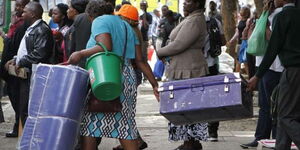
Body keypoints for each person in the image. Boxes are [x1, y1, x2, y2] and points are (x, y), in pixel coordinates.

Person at [67, 1, 159, 150]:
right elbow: (140, 61)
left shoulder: (99, 20)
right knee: (124, 126)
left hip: (106, 75)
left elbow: (105, 46)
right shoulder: (127, 26)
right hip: (127, 77)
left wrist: (80, 53)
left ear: (91, 16)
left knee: (90, 125)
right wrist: (154, 84)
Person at [247, 0, 300, 149]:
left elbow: (273, 48)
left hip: (291, 71)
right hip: (291, 71)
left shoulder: (282, 16)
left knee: (285, 116)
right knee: (284, 113)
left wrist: (257, 75)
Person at [156, 0, 208, 149]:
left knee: (188, 107)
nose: (185, 3)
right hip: (184, 68)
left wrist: (160, 52)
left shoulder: (195, 20)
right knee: (183, 107)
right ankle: (188, 141)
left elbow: (179, 44)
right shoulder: (191, 18)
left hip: (189, 69)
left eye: (189, 1)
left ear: (197, 4)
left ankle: (190, 142)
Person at [241, 1, 284, 148]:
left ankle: (275, 139)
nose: (264, 3)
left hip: (275, 66)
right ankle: (261, 137)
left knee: (273, 106)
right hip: (264, 64)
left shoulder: (280, 15)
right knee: (264, 105)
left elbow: (276, 41)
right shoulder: (267, 15)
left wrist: (264, 29)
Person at [5, 1, 54, 127]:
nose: (22, 12)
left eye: (25, 11)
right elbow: (27, 49)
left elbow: (40, 53)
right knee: (24, 108)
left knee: (29, 109)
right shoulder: (31, 28)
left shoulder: (42, 29)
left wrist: (21, 61)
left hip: (34, 75)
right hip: (27, 74)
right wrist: (16, 59)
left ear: (32, 14)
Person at [0, 0, 30, 138]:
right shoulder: (16, 24)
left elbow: (15, 45)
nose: (18, 8)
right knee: (14, 97)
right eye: (17, 5)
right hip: (10, 68)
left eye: (21, 6)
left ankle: (20, 128)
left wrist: (5, 37)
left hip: (16, 68)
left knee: (18, 99)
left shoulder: (23, 26)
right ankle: (18, 127)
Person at [204, 14, 226, 142]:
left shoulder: (190, 21)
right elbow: (223, 41)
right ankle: (213, 131)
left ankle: (196, 132)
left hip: (195, 66)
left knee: (195, 97)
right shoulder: (215, 21)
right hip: (212, 64)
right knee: (213, 97)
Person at [228, 6, 251, 74]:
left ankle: (250, 78)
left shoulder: (248, 21)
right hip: (239, 43)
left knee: (245, 62)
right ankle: (235, 76)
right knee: (238, 61)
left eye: (242, 10)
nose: (241, 11)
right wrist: (231, 40)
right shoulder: (240, 21)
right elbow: (237, 32)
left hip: (245, 43)